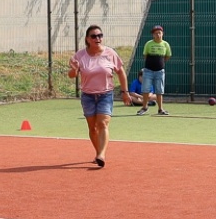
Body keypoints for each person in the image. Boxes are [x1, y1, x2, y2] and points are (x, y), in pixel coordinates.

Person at [66, 25, 128, 167]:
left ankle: (102, 155)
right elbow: (71, 75)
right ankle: (98, 152)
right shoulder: (80, 55)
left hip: (105, 95)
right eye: (94, 36)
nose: (97, 38)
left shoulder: (110, 53)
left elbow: (121, 72)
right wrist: (74, 70)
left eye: (100, 35)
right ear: (87, 39)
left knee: (103, 123)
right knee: (93, 128)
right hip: (87, 96)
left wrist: (125, 92)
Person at [136, 25, 173, 115]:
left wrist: (160, 63)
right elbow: (145, 55)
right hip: (148, 71)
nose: (158, 35)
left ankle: (160, 109)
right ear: (153, 35)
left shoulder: (165, 44)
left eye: (159, 33)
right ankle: (144, 107)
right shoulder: (148, 44)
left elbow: (168, 56)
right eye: (156, 33)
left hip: (160, 72)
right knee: (145, 89)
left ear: (162, 33)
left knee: (159, 90)